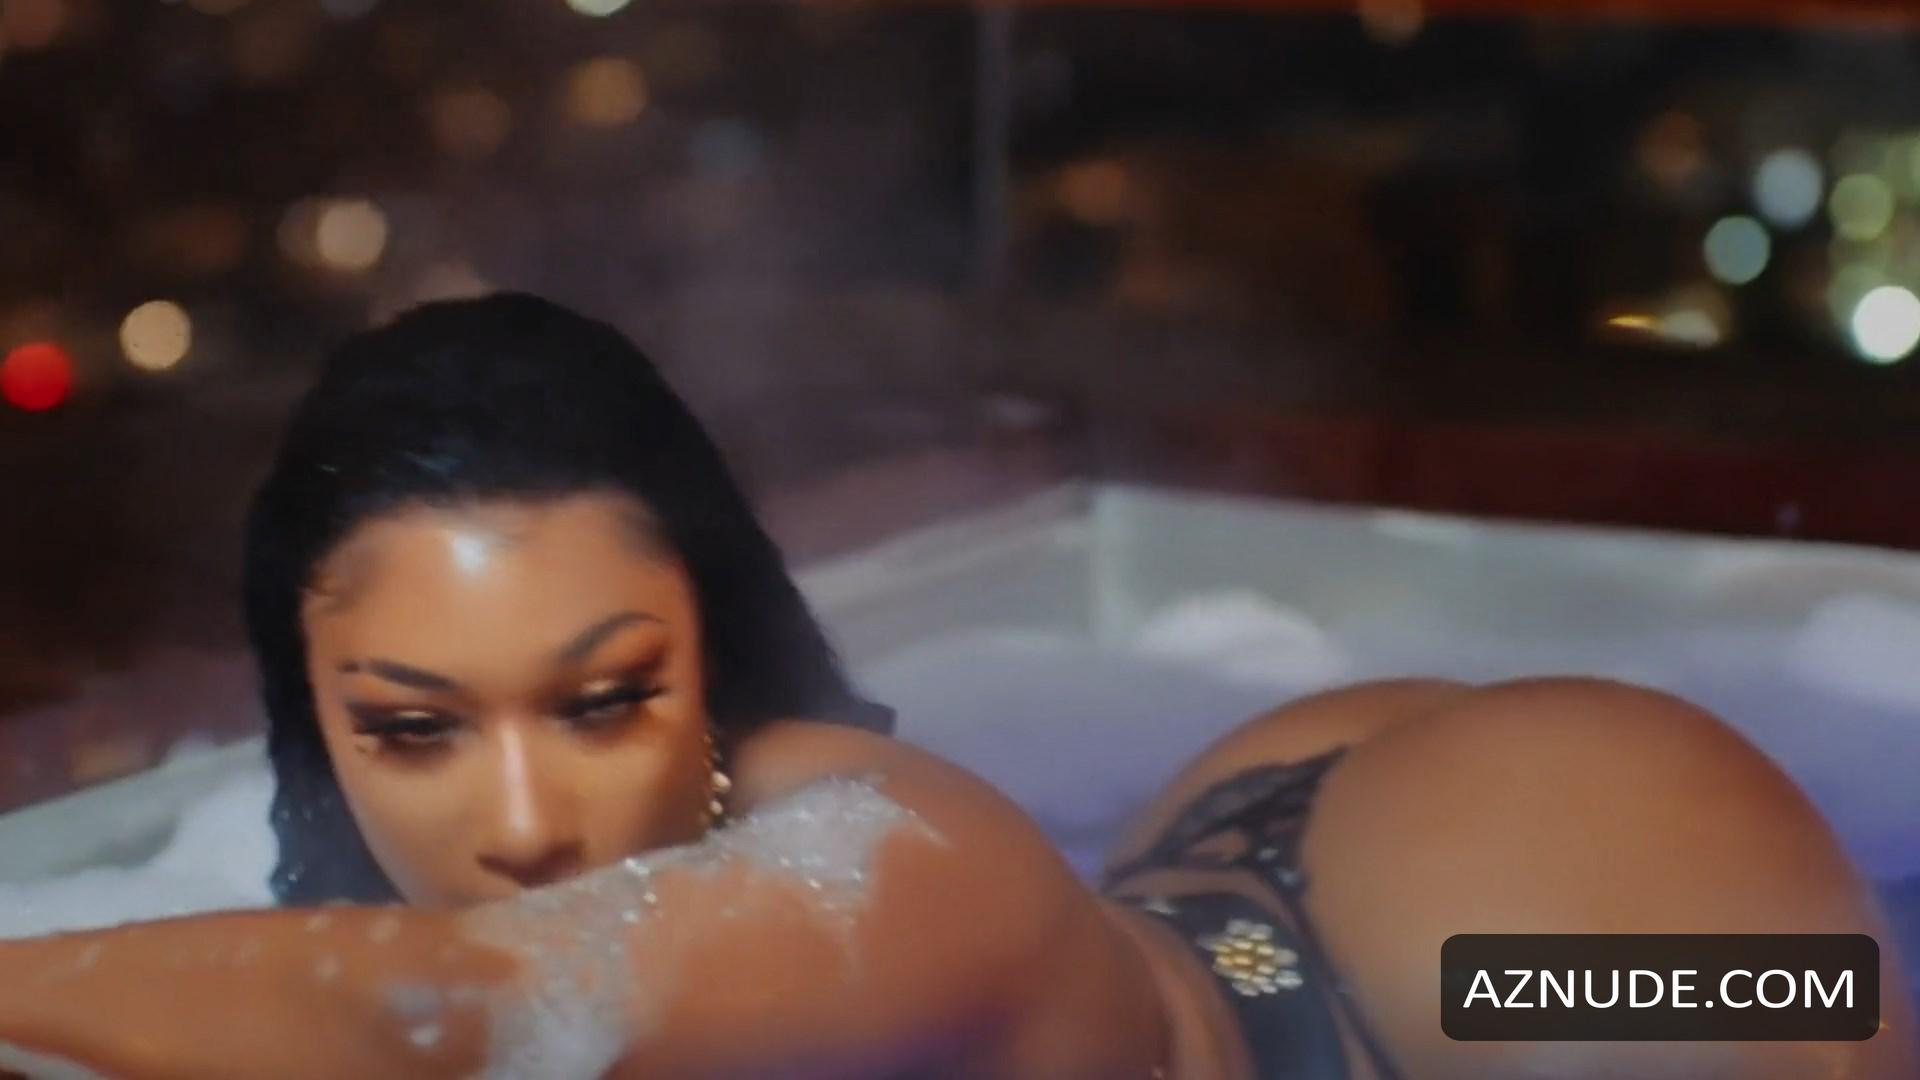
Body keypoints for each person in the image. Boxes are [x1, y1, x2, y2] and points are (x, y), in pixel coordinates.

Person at [0, 294, 1910, 1079]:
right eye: (414, 729)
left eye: (605, 700)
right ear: (319, 722)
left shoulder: (872, 855)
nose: (518, 824)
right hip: (1214, 897)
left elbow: (465, 1006)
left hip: (1516, 951)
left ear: (713, 661)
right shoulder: (346, 919)